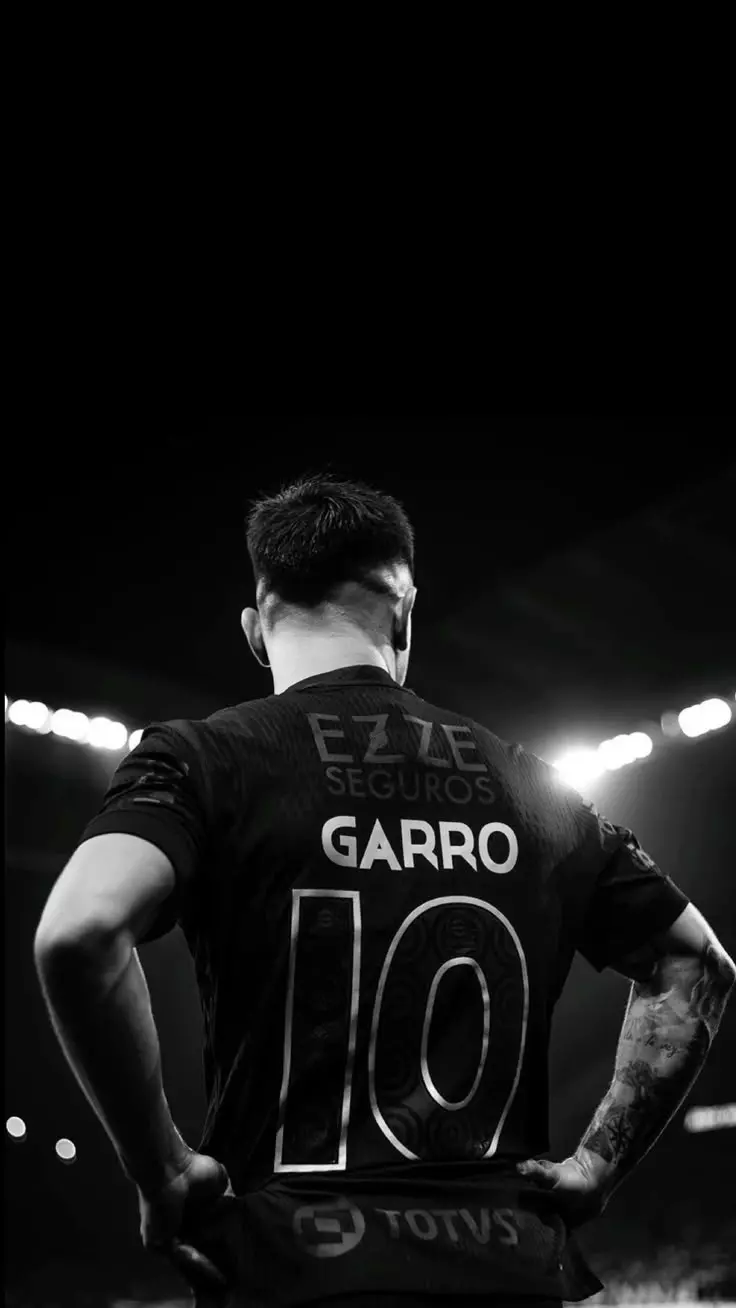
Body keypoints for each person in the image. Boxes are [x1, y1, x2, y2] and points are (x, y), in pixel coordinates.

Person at [34, 475, 735, 1308]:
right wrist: (598, 1164)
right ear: (404, 612)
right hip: (509, 1268)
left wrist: (161, 1169)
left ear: (257, 631)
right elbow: (698, 963)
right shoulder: (539, 789)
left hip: (295, 1266)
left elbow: (77, 934)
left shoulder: (203, 759)